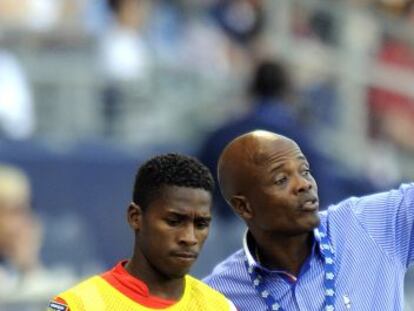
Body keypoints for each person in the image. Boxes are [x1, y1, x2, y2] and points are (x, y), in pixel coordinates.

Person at [203, 130, 414, 310]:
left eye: (305, 171)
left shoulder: (368, 223)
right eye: (281, 179)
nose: (304, 184)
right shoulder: (218, 297)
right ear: (244, 207)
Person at [48, 153, 237, 311]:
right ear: (135, 217)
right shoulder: (77, 305)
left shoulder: (219, 307)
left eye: (201, 224)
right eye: (173, 221)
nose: (189, 238)